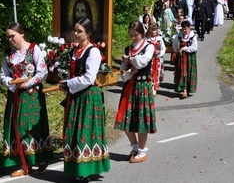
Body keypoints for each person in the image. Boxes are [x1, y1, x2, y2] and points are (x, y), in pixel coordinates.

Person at [59, 17, 110, 182]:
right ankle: (77, 167)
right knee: (73, 131)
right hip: (76, 95)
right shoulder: (75, 50)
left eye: (79, 31)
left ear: (88, 33)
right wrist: (66, 82)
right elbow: (74, 73)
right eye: (75, 30)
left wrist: (69, 83)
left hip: (88, 96)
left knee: (84, 132)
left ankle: (86, 169)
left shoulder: (93, 51)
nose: (75, 33)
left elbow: (89, 78)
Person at [0, 22, 53, 177]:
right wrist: (12, 85)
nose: (10, 40)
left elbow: (42, 71)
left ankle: (38, 157)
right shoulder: (9, 54)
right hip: (15, 95)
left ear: (22, 33)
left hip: (32, 95)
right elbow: (3, 75)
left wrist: (27, 83)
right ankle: (23, 163)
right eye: (7, 37)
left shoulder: (33, 49)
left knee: (29, 126)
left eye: (12, 36)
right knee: (15, 126)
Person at [114, 20, 157, 163]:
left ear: (142, 33)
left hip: (142, 87)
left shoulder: (148, 47)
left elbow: (142, 62)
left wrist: (131, 60)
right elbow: (123, 69)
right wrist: (128, 72)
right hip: (129, 87)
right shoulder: (128, 49)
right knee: (126, 119)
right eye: (131, 35)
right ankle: (135, 146)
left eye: (136, 35)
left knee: (140, 121)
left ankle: (142, 150)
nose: (133, 38)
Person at [172, 20, 198, 99]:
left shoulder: (192, 36)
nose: (184, 31)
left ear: (189, 28)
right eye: (183, 29)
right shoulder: (179, 35)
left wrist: (185, 49)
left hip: (190, 58)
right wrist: (177, 50)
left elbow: (194, 48)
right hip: (181, 58)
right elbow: (175, 43)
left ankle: (188, 89)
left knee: (188, 72)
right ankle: (184, 90)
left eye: (185, 29)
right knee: (182, 72)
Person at [146, 23, 166, 97]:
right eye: (153, 30)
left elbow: (163, 48)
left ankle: (155, 88)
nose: (154, 32)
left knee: (156, 72)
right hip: (149, 59)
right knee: (150, 72)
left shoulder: (159, 39)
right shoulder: (146, 39)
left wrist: (159, 52)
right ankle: (150, 87)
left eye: (155, 30)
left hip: (157, 59)